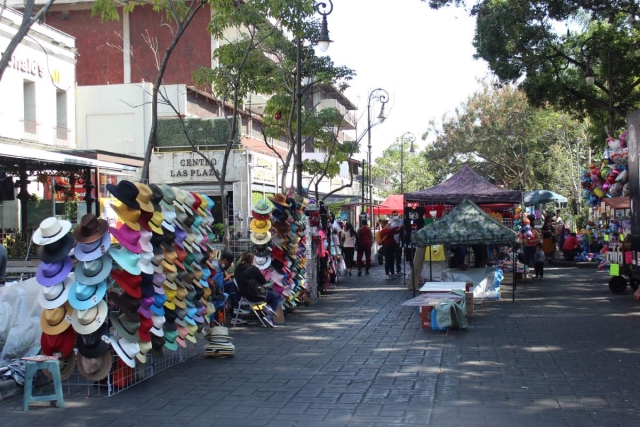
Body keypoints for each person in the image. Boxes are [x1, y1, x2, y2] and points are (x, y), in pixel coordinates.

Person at [234, 252, 281, 328]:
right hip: (256, 295)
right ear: (252, 260)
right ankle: (269, 316)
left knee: (270, 295)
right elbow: (263, 281)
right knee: (277, 296)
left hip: (244, 296)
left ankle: (268, 309)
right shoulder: (253, 269)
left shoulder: (237, 269)